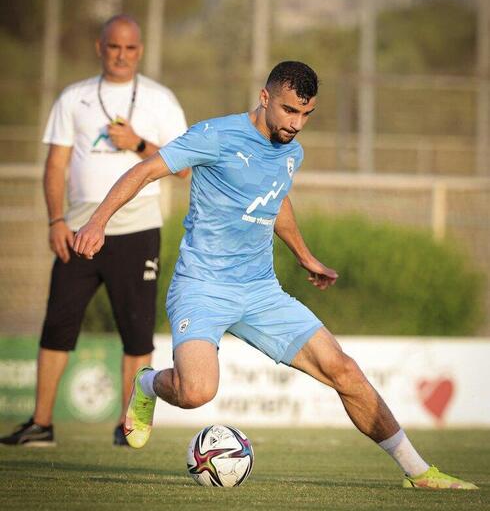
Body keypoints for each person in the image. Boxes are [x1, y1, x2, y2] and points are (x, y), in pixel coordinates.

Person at [72, 61, 477, 489]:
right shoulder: (216, 135)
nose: (296, 124)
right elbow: (145, 169)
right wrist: (98, 222)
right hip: (203, 287)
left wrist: (304, 255)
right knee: (195, 393)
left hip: (261, 291)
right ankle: (149, 383)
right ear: (264, 98)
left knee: (344, 370)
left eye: (306, 115)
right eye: (288, 111)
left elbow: (273, 199)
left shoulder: (291, 151)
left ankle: (419, 472)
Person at [0, 14, 188, 447]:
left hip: (137, 228)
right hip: (80, 230)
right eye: (113, 46)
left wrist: (138, 143)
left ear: (140, 51)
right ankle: (41, 423)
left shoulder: (161, 100)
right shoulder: (74, 98)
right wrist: (55, 219)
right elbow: (57, 165)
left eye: (130, 48)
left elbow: (183, 168)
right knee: (57, 325)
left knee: (137, 331)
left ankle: (129, 427)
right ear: (99, 48)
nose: (121, 55)